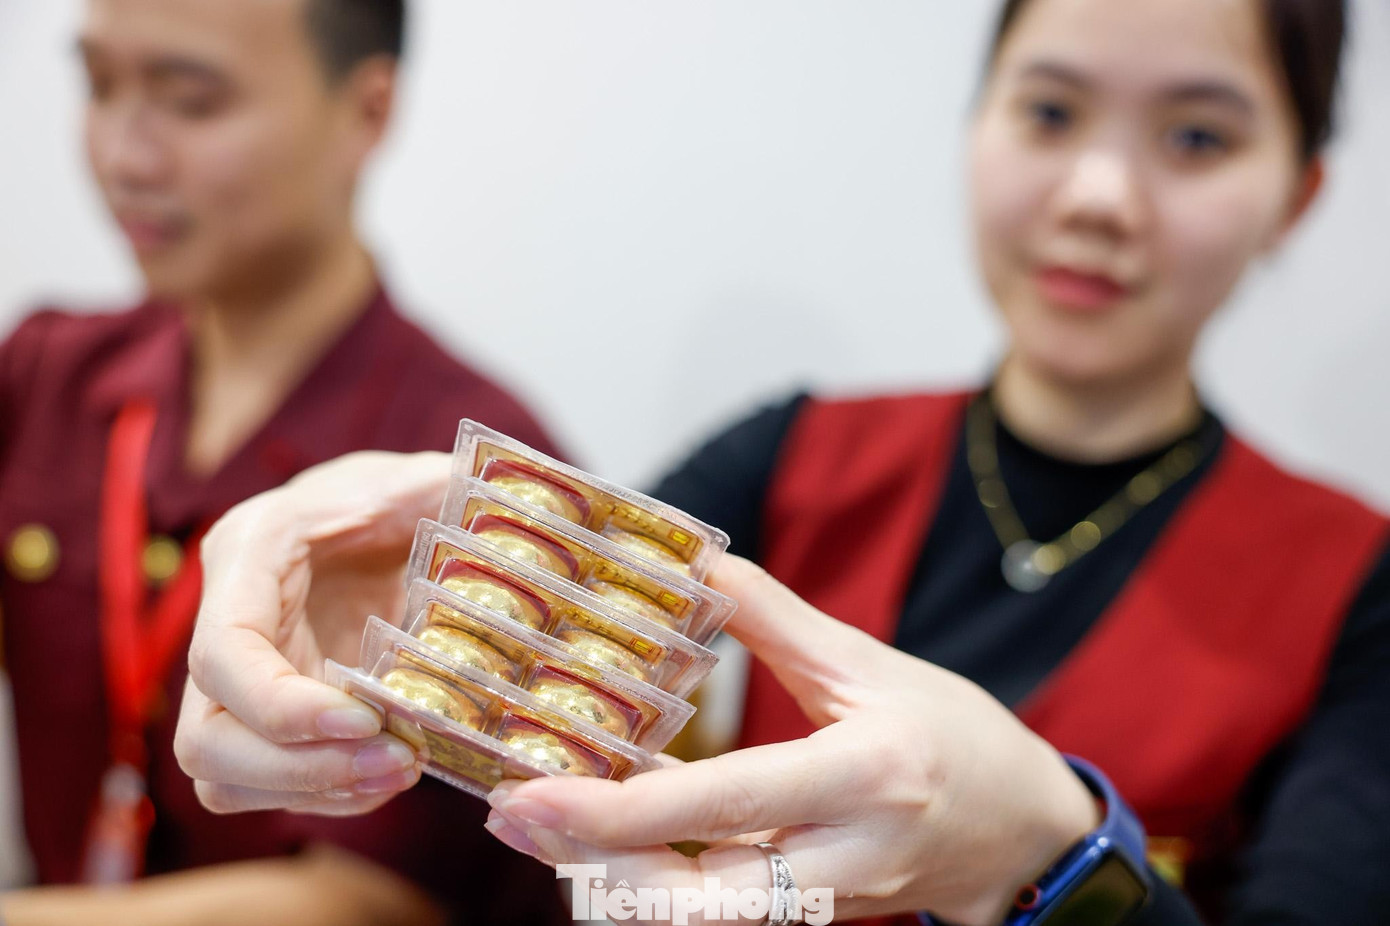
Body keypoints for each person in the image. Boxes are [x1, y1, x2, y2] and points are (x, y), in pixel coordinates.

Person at [165, 0, 1390, 923]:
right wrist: (412, 640)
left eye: (1195, 136)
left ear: (1296, 195)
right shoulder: (792, 450)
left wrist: (1052, 853)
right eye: (1050, 112)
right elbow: (519, 728)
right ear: (977, 125)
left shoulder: (1354, 579)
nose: (1099, 196)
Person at [0, 1, 566, 924]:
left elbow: (366, 904)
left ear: (367, 111)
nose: (125, 157)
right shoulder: (46, 373)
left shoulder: (475, 469)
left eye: (190, 101)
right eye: (99, 86)